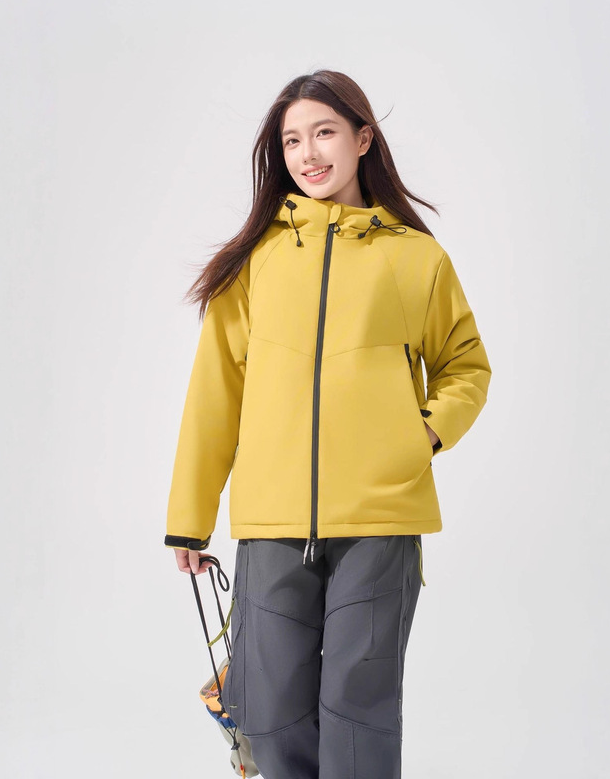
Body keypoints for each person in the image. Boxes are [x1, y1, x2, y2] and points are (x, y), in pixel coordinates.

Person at [164, 69, 492, 779]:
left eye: (324, 133)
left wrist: (422, 434)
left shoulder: (415, 257)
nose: (308, 154)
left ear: (362, 139)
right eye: (292, 141)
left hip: (380, 518)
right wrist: (190, 518)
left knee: (357, 710)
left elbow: (466, 365)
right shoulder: (255, 263)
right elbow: (215, 392)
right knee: (268, 713)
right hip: (272, 521)